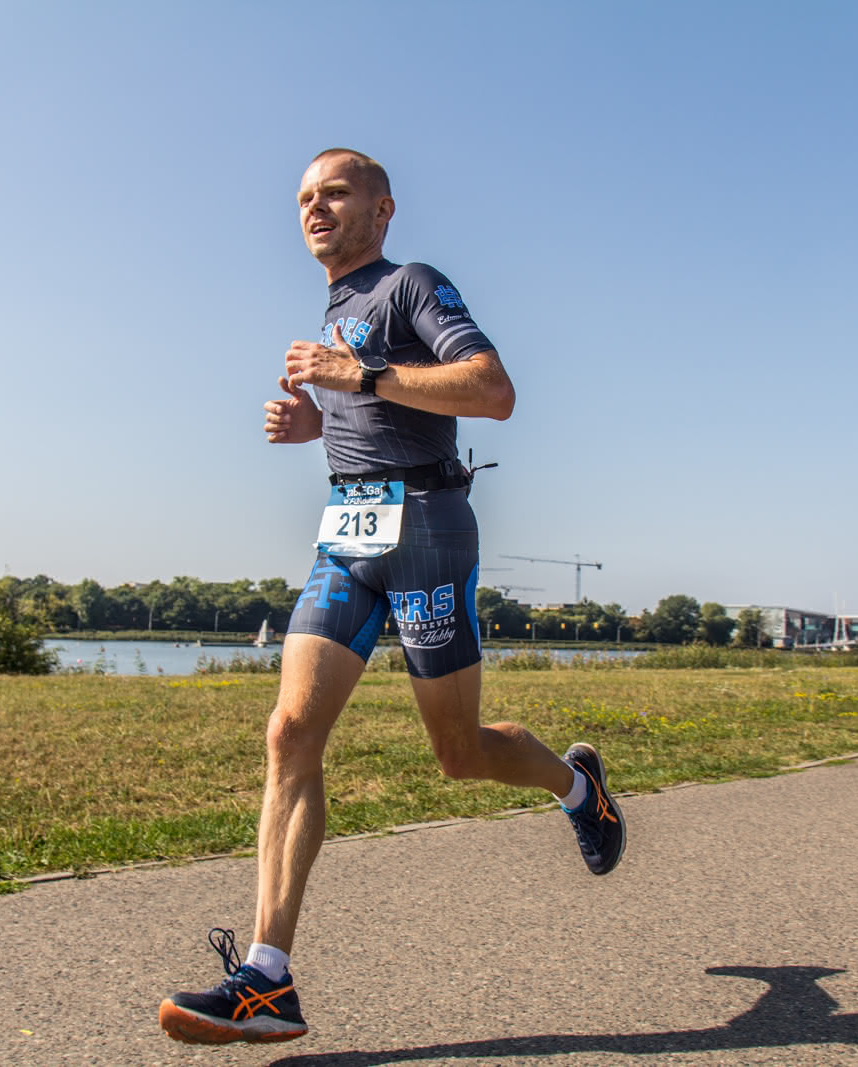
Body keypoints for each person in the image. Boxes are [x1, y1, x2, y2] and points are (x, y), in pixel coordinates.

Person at [157, 148, 626, 1046]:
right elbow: (367, 412)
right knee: (290, 731)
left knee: (458, 751)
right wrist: (314, 426)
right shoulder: (333, 308)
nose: (315, 207)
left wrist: (354, 380)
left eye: (335, 192)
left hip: (428, 527)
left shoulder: (411, 283)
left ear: (382, 209)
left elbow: (493, 391)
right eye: (303, 197)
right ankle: (267, 976)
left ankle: (578, 788)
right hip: (347, 532)